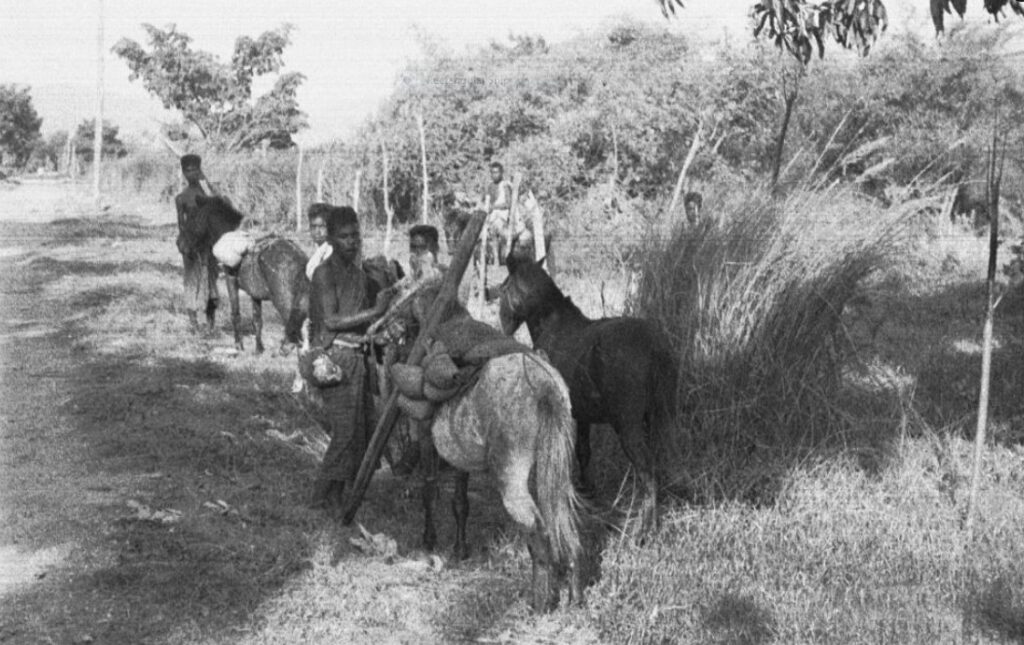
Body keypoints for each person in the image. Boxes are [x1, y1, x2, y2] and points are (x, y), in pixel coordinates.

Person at [308, 206, 393, 515]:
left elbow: (360, 323)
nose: (351, 242)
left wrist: (377, 330)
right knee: (345, 432)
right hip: (335, 357)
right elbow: (331, 321)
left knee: (361, 431)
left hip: (357, 357)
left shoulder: (358, 275)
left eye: (355, 235)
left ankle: (339, 494)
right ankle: (320, 498)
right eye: (343, 236)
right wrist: (375, 312)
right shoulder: (324, 273)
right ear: (330, 238)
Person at [175, 154, 220, 333]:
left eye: (195, 169)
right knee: (191, 280)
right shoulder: (181, 198)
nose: (191, 173)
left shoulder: (207, 193)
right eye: (188, 170)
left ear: (200, 170)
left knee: (210, 281)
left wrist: (206, 181)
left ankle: (210, 323)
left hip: (209, 242)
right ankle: (193, 322)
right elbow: (181, 224)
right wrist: (189, 244)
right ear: (183, 172)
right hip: (192, 244)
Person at [484, 162, 513, 263]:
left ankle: (503, 258)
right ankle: (495, 258)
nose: (494, 175)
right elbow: (486, 201)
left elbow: (508, 204)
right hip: (491, 216)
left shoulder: (505, 186)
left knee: (500, 231)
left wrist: (495, 207)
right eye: (492, 172)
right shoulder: (490, 186)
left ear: (501, 173)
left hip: (502, 215)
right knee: (490, 234)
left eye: (497, 172)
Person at [305, 202, 333, 280]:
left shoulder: (332, 252)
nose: (317, 231)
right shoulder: (319, 253)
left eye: (321, 226)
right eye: (313, 226)